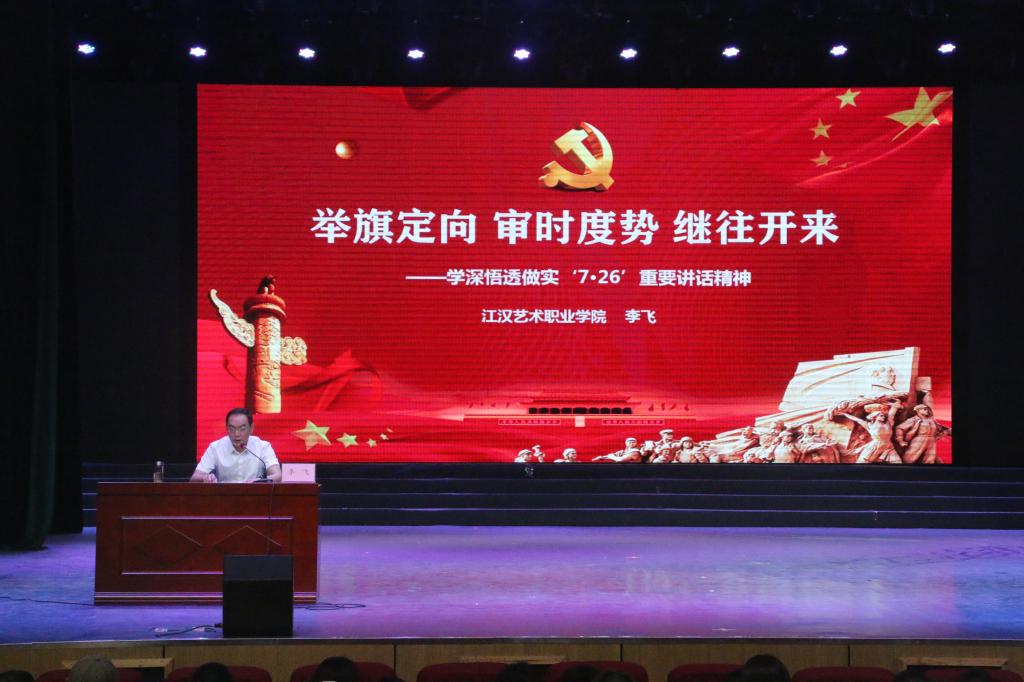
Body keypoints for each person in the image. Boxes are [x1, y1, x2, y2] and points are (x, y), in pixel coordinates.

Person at [191, 407, 281, 482]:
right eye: (232, 428)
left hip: (254, 495)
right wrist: (205, 477)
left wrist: (259, 482)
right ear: (227, 428)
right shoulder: (215, 447)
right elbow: (194, 478)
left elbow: (277, 475)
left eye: (242, 429)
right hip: (224, 495)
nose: (236, 434)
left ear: (251, 428)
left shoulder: (263, 447)